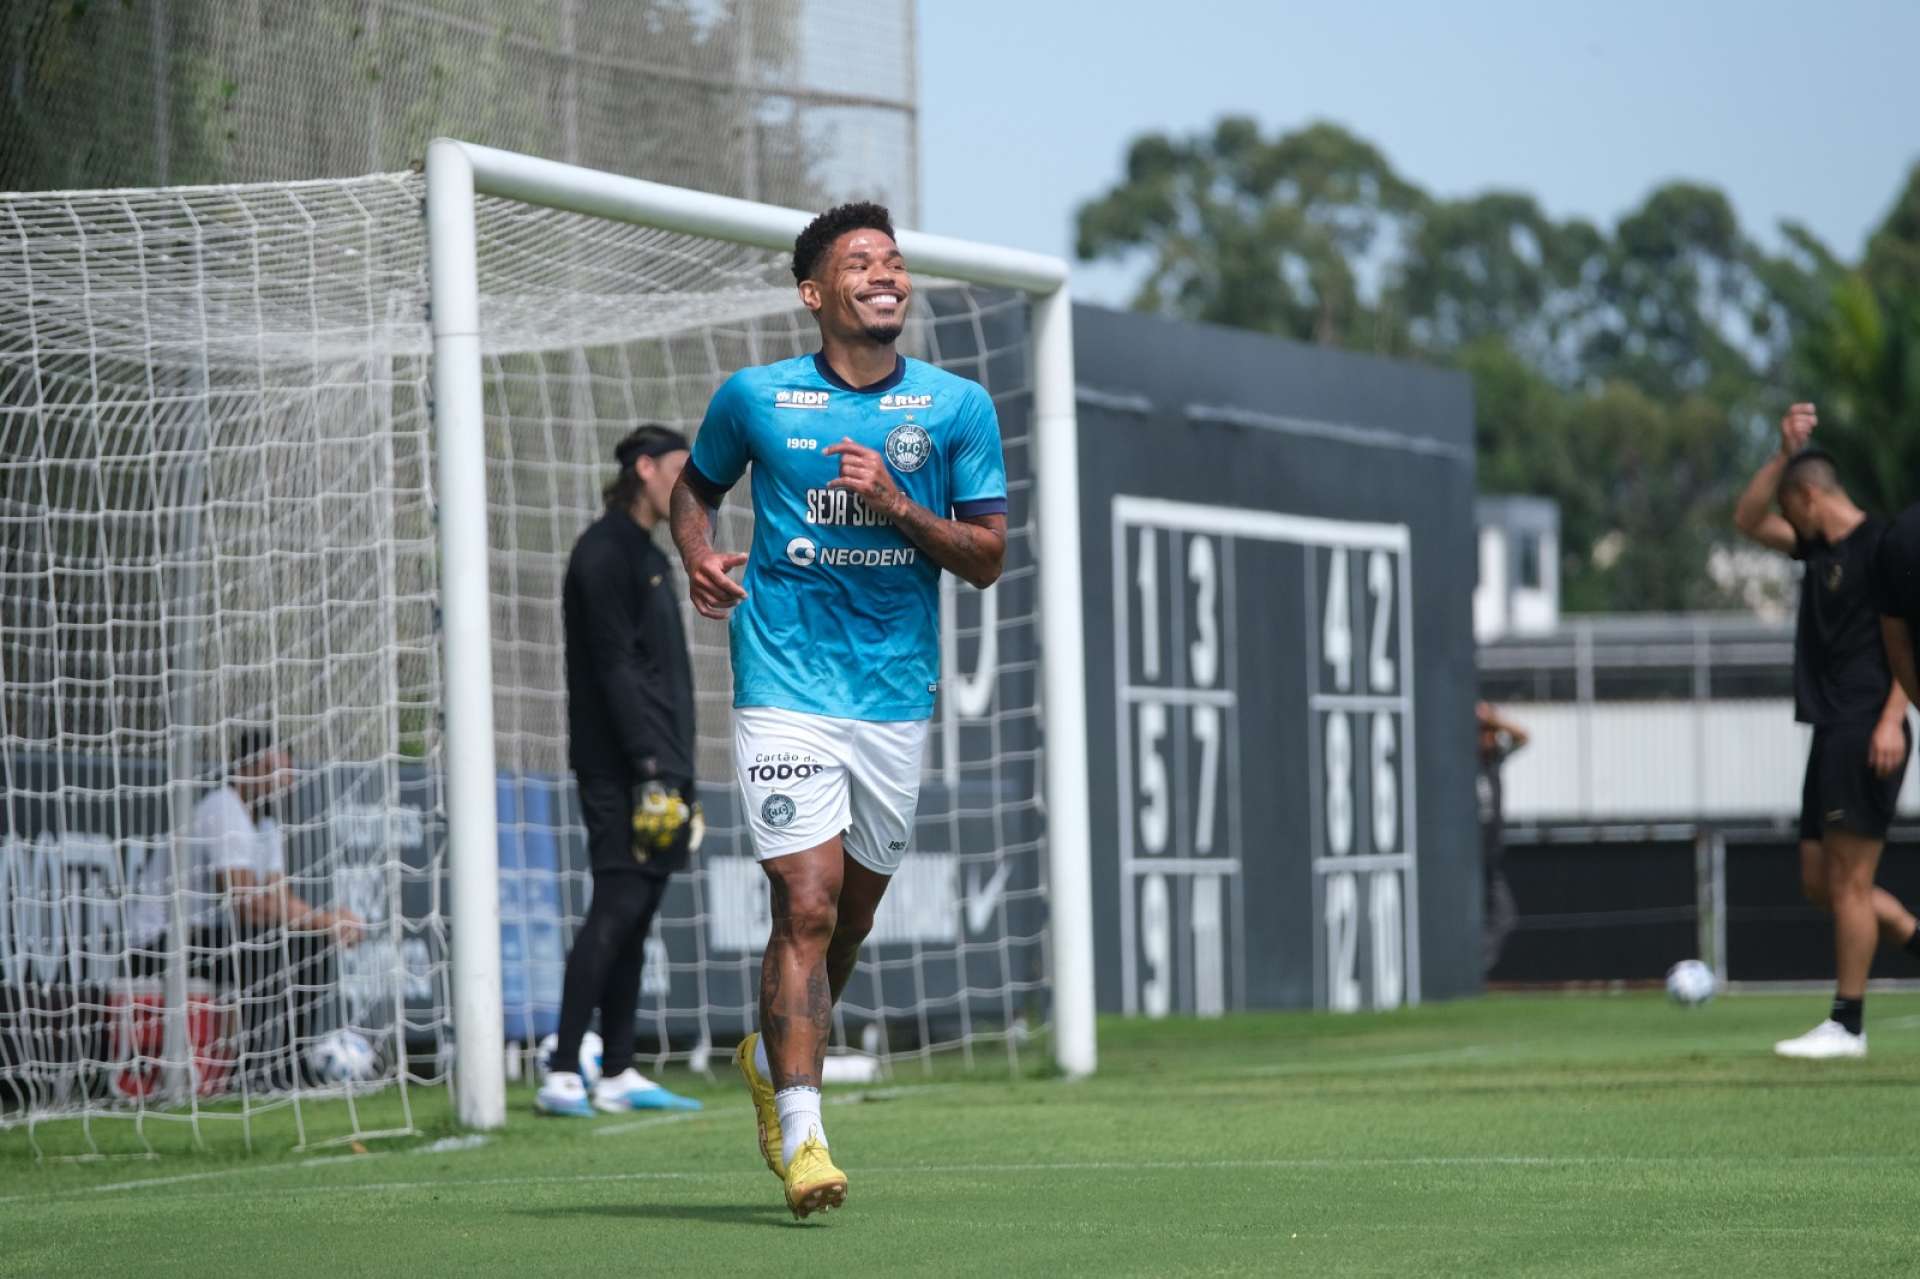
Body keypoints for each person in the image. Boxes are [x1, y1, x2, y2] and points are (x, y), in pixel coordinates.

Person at [669, 202, 1007, 1218]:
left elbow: (987, 559)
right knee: (805, 904)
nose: (886, 275)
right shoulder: (755, 398)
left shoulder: (956, 409)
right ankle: (806, 1135)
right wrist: (697, 557)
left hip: (894, 695)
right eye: (862, 263)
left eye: (895, 263)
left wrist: (899, 505)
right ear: (815, 293)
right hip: (783, 686)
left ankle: (773, 1061)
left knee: (853, 916)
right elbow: (695, 492)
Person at [1733, 402, 1920, 1059]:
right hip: (1828, 723)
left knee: (1847, 882)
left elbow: (1909, 639)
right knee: (1820, 878)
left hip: (1869, 722)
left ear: (1810, 496)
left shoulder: (1883, 545)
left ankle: (1848, 1023)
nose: (1789, 520)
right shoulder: (1817, 548)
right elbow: (1747, 518)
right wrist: (1782, 451)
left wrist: (1894, 715)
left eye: (1793, 504)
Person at [536, 425, 704, 1117]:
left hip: (661, 765)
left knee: (638, 916)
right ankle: (563, 1068)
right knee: (615, 904)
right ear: (644, 468)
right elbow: (612, 667)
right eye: (679, 471)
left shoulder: (649, 554)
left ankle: (619, 1068)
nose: (689, 486)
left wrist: (673, 766)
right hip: (622, 768)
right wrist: (647, 765)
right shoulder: (603, 552)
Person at [187, 729, 364, 1087]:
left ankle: (291, 1064)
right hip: (174, 938)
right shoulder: (223, 807)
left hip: (220, 936)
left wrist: (329, 923)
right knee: (263, 947)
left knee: (312, 943)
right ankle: (251, 1068)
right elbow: (247, 906)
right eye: (277, 771)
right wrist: (325, 920)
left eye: (289, 774)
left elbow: (279, 900)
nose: (286, 782)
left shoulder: (266, 825)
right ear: (249, 769)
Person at [1476, 701, 1528, 977]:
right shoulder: (1462, 762)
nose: (1491, 737)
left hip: (1490, 858)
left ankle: (1474, 971)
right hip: (1466, 862)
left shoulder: (1494, 759)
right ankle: (1467, 971)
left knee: (1503, 917)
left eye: (1491, 732)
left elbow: (1523, 736)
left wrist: (1493, 719)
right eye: (1484, 732)